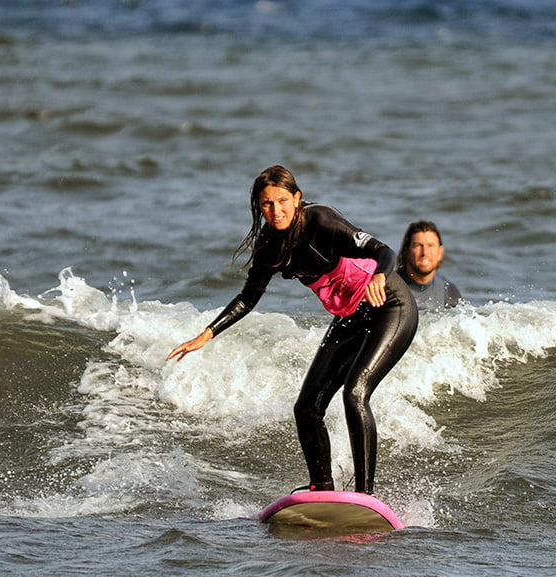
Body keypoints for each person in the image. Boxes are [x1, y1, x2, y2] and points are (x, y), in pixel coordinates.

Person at [167, 165, 418, 494]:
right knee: (307, 407)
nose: (276, 210)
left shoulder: (322, 221)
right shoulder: (269, 244)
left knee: (355, 393)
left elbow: (382, 251)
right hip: (351, 315)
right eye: (267, 204)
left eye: (282, 201)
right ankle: (322, 485)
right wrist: (206, 333)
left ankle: (365, 494)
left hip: (390, 305)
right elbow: (248, 297)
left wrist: (380, 276)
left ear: (297, 198)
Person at [397, 219, 463, 308]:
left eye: (430, 246)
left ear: (440, 252)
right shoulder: (390, 286)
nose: (425, 253)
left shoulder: (448, 292)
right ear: (406, 251)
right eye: (418, 246)